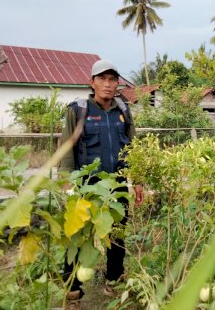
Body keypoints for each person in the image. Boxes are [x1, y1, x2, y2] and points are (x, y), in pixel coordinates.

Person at [59, 59, 144, 308]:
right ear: (92, 83)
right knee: (76, 235)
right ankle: (72, 287)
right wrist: (67, 183)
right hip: (86, 185)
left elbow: (134, 148)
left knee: (116, 235)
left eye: (112, 80)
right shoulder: (79, 109)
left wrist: (137, 180)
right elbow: (66, 148)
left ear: (117, 84)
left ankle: (114, 279)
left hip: (116, 185)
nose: (108, 84)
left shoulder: (123, 111)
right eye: (102, 79)